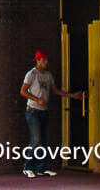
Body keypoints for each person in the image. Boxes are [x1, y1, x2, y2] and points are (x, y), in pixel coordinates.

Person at [20, 50, 82, 178]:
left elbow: (55, 91)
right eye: (43, 60)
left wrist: (72, 96)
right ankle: (28, 167)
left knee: (44, 141)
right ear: (37, 61)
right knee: (35, 139)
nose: (46, 62)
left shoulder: (48, 75)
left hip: (44, 112)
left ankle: (42, 169)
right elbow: (23, 91)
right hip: (33, 111)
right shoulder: (31, 74)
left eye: (46, 60)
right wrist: (37, 100)